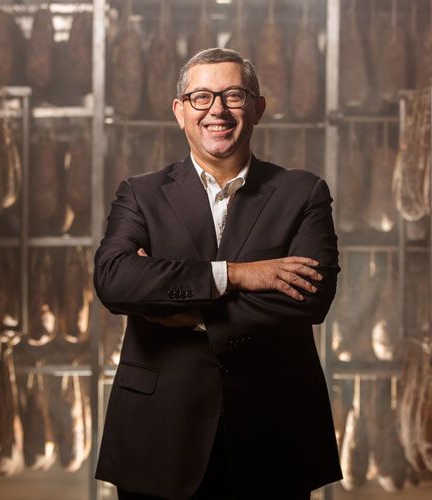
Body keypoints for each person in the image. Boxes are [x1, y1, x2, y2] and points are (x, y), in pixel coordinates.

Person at [94, 48, 341, 500]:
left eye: (233, 95)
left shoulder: (303, 192)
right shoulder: (140, 193)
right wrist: (237, 275)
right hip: (160, 434)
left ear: (258, 107)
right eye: (201, 97)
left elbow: (310, 298)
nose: (217, 111)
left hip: (274, 434)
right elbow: (115, 280)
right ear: (180, 111)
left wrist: (188, 314)